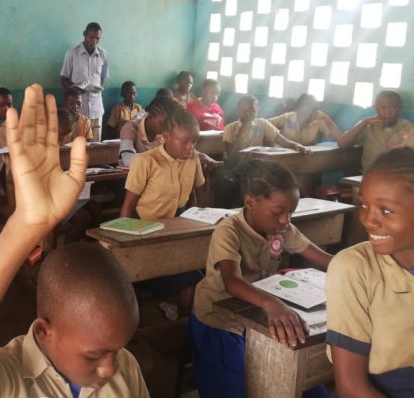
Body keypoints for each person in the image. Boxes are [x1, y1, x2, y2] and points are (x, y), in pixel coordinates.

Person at [0, 84, 150, 398]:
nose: (109, 368)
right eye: (94, 356)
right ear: (43, 331)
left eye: (116, 351)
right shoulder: (8, 379)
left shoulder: (125, 365)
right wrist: (25, 227)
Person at [189, 160, 332, 397]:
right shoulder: (229, 230)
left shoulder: (282, 229)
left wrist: (358, 268)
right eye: (278, 212)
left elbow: (323, 258)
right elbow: (231, 282)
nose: (285, 220)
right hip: (218, 321)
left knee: (305, 379)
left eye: (291, 212)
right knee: (233, 390)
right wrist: (272, 303)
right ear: (250, 201)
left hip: (256, 316)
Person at [325, 147, 414, 397]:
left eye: (385, 210)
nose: (368, 220)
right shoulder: (354, 268)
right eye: (363, 205)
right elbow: (351, 388)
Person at [121, 107, 204, 221]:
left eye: (194, 141)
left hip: (179, 220)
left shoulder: (193, 157)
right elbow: (129, 203)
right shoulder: (145, 161)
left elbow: (193, 191)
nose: (191, 147)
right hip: (147, 223)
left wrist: (196, 220)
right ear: (165, 137)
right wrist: (123, 228)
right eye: (184, 142)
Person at [338, 89, 414, 170]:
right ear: (376, 108)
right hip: (371, 174)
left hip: (397, 174)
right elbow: (342, 144)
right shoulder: (367, 126)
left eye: (393, 108)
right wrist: (364, 122)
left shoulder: (408, 127)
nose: (388, 112)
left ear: (400, 108)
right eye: (383, 108)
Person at [60, 22, 109, 141]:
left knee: (95, 145)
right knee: (76, 144)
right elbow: (63, 80)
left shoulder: (104, 55)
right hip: (77, 110)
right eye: (91, 37)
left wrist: (96, 88)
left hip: (96, 109)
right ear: (84, 34)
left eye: (97, 38)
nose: (94, 41)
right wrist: (77, 89)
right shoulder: (72, 54)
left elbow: (102, 78)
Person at [223, 95, 307, 160]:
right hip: (237, 166)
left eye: (253, 111)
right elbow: (232, 156)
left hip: (257, 163)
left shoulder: (262, 123)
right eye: (245, 111)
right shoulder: (230, 128)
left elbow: (283, 141)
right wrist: (243, 128)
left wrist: (296, 145)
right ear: (238, 110)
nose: (249, 114)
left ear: (257, 111)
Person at [118, 96, 176, 166]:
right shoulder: (130, 127)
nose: (166, 128)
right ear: (150, 115)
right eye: (162, 123)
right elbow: (127, 159)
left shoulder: (166, 133)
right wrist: (159, 157)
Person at [269, 93, 342, 146]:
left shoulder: (318, 121)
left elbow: (339, 139)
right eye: (303, 112)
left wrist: (326, 118)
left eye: (310, 112)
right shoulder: (288, 117)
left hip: (307, 158)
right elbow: (264, 125)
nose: (306, 117)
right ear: (297, 109)